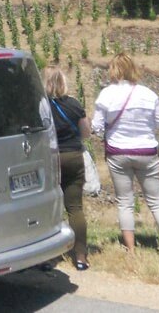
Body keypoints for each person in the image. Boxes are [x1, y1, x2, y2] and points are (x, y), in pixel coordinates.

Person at [92, 54, 159, 259]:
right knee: (156, 201)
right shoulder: (148, 94)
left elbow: (96, 126)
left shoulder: (106, 95)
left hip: (118, 153)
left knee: (124, 202)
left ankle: (131, 250)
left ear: (113, 71)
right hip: (147, 152)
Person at [45, 67, 91, 270]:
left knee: (50, 209)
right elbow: (86, 133)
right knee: (75, 208)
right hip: (73, 156)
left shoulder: (40, 106)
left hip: (50, 159)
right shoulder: (74, 104)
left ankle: (48, 257)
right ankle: (81, 256)